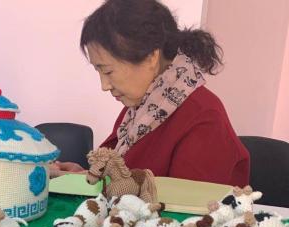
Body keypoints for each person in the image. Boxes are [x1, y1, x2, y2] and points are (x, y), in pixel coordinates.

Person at [53, 0, 249, 186]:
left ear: (151, 56)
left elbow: (184, 203)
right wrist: (82, 177)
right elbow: (118, 180)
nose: (104, 85)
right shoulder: (143, 107)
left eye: (108, 71)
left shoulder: (204, 118)